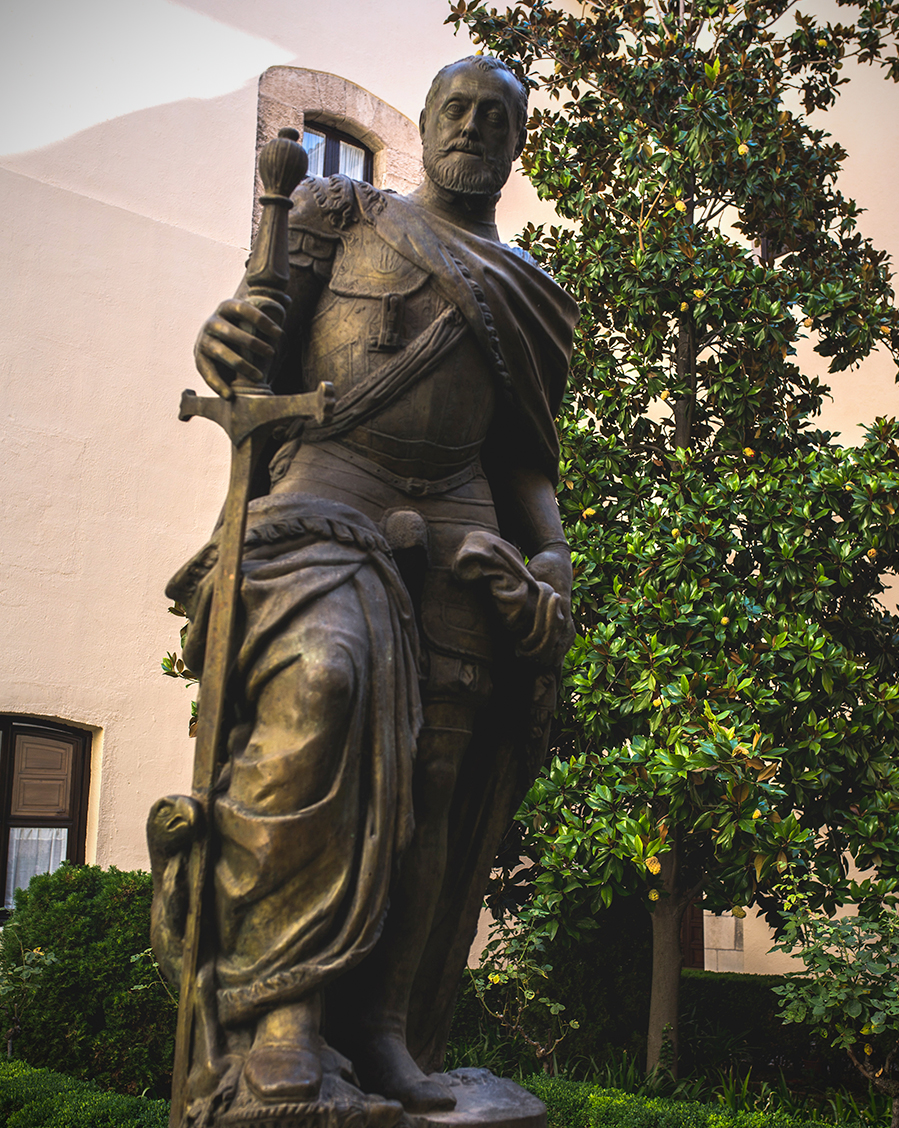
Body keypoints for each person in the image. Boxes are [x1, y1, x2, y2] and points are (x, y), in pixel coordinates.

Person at [155, 55, 578, 1125]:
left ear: (519, 143)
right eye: (458, 110)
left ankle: (386, 1034)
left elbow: (530, 465)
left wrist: (549, 576)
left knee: (437, 784)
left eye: (498, 118)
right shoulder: (337, 214)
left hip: (462, 531)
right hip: (324, 495)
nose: (476, 128)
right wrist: (222, 340)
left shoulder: (532, 293)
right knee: (327, 681)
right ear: (430, 123)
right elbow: (252, 347)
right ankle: (279, 1019)